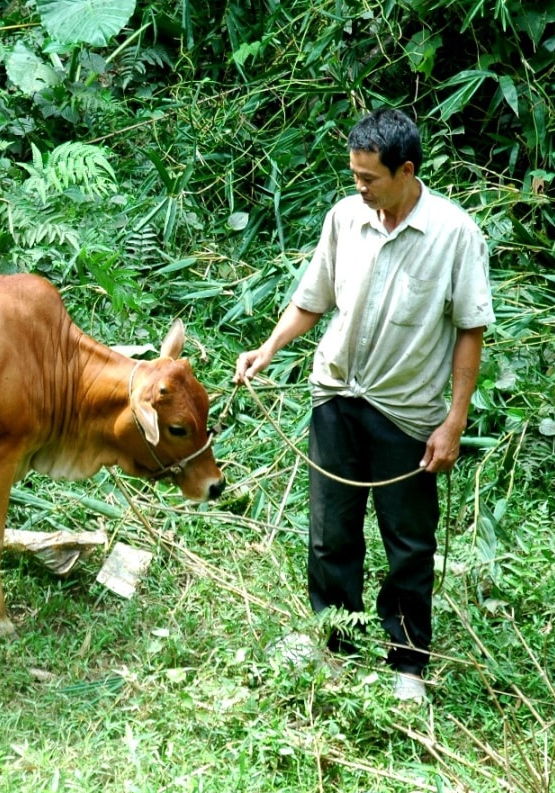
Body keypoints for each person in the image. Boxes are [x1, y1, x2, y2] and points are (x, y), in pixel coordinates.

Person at [234, 108, 495, 702]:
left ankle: (407, 664)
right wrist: (269, 347)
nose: (360, 188)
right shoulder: (345, 219)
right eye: (354, 176)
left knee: (407, 540)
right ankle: (335, 643)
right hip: (335, 394)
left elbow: (469, 332)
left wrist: (453, 422)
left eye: (369, 178)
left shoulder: (455, 235)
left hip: (404, 410)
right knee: (330, 532)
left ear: (406, 170)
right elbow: (313, 298)